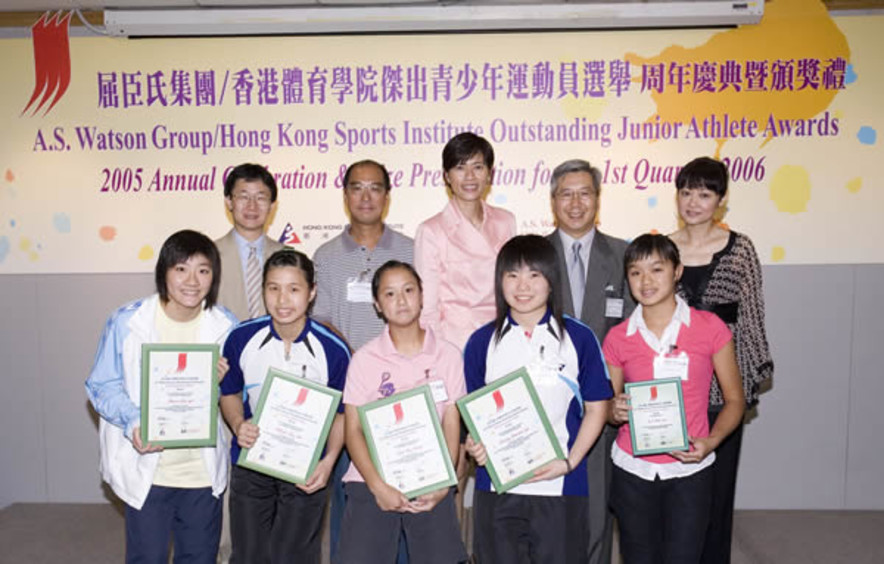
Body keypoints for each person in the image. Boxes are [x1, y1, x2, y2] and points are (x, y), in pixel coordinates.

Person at [85, 229, 238, 563]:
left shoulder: (225, 325)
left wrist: (222, 383)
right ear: (163, 272)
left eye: (203, 269)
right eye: (180, 268)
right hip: (149, 469)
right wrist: (135, 420)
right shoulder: (128, 321)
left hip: (201, 471)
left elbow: (238, 393)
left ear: (214, 276)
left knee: (199, 557)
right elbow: (101, 386)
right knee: (147, 557)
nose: (192, 280)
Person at [463, 235, 612, 564]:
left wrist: (570, 462)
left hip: (561, 488)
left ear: (551, 280)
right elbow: (474, 416)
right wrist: (474, 444)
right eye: (512, 275)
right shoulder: (480, 342)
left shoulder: (578, 337)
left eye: (534, 275)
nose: (522, 286)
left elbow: (597, 408)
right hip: (497, 489)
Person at [603, 234, 745, 564]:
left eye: (656, 269)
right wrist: (614, 410)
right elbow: (608, 406)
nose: (646, 281)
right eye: (635, 272)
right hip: (633, 469)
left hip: (690, 472)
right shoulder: (617, 337)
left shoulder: (709, 327)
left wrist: (711, 441)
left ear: (677, 271)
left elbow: (735, 399)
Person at [668, 157, 774, 564]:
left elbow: (751, 316)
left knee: (716, 488)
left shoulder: (740, 249)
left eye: (705, 193)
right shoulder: (661, 248)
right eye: (686, 191)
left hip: (721, 387)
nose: (694, 202)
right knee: (673, 488)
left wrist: (743, 386)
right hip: (671, 385)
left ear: (721, 200)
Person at [312, 159, 414, 563]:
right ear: (345, 195)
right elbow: (320, 322)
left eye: (375, 188)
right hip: (349, 396)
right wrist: (362, 367)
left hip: (405, 395)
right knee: (349, 495)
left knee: (404, 489)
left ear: (388, 196)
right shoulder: (325, 255)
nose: (366, 196)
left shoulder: (410, 249)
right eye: (357, 187)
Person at [219, 249, 349, 564]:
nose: (282, 299)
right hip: (252, 463)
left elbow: (341, 417)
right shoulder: (240, 338)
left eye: (294, 289)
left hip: (306, 469)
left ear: (312, 292)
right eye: (273, 288)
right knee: (250, 554)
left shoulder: (333, 350)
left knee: (294, 555)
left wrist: (329, 461)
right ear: (263, 290)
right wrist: (238, 425)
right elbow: (229, 393)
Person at [338, 260, 468, 564]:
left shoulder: (448, 355)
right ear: (377, 304)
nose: (401, 300)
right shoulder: (364, 359)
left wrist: (443, 483)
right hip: (370, 481)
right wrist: (377, 486)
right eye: (390, 294)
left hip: (431, 481)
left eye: (409, 290)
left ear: (422, 295)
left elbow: (452, 422)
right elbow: (353, 430)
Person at [546, 158, 634, 564]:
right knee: (548, 511)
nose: (576, 203)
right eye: (566, 193)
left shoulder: (624, 255)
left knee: (597, 511)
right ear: (553, 201)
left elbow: (638, 332)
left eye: (585, 193)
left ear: (598, 199)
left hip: (604, 402)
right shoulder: (533, 256)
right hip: (546, 401)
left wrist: (623, 396)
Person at [415, 132, 516, 351]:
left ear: (490, 173)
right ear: (447, 176)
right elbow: (428, 308)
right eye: (460, 167)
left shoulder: (506, 221)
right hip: (455, 343)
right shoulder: (431, 231)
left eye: (478, 167)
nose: (470, 176)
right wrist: (440, 354)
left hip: (502, 338)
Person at [216, 163, 285, 321]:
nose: (252, 206)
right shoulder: (209, 256)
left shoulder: (287, 255)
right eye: (243, 197)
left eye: (260, 198)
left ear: (272, 205)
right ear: (229, 202)